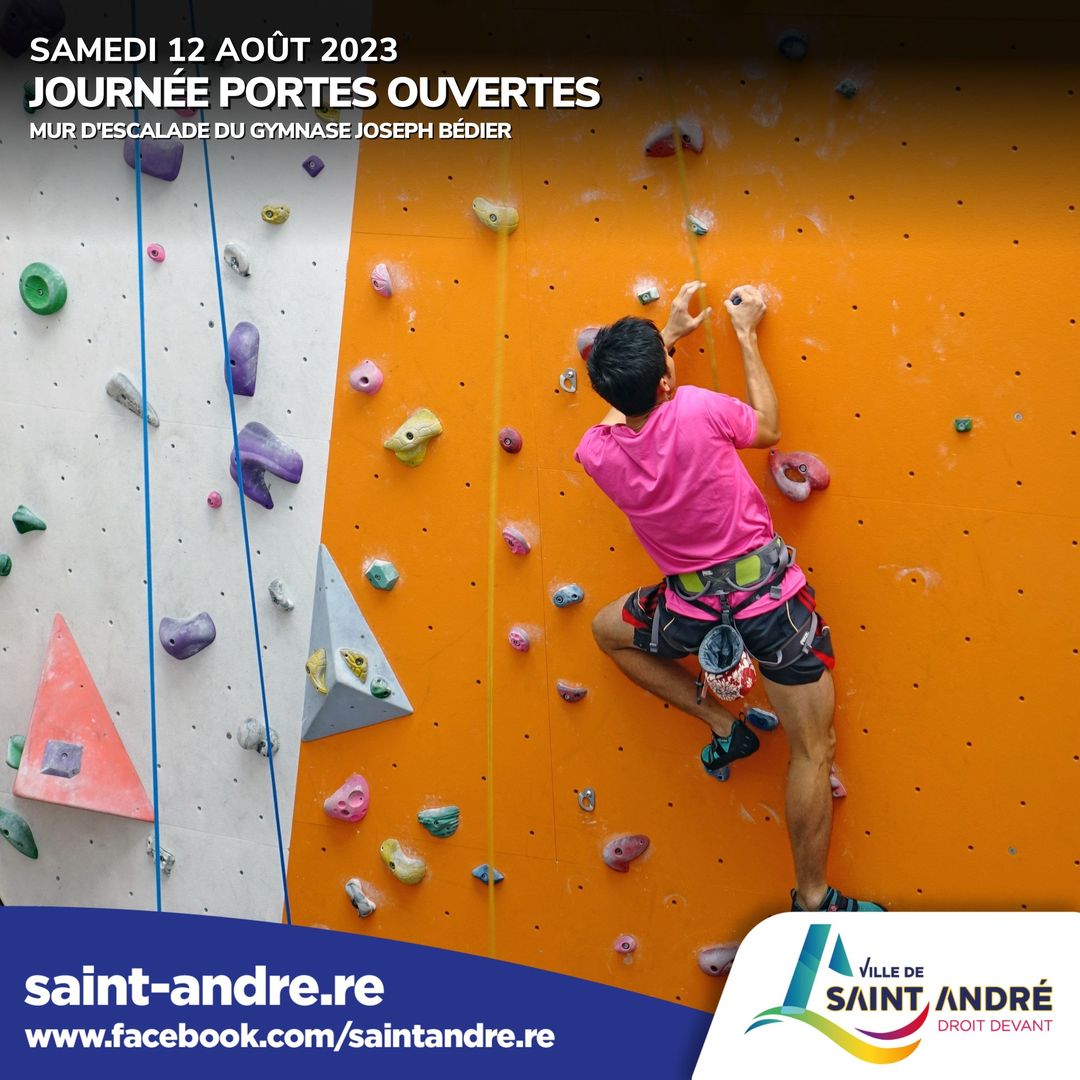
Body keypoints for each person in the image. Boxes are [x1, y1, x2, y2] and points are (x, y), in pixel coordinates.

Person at [575, 281, 884, 913]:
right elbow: (767, 428)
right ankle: (814, 900)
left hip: (688, 612)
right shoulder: (692, 408)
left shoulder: (596, 452)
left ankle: (723, 722)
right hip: (769, 605)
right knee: (811, 750)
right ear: (666, 381)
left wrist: (666, 341)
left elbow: (616, 411)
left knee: (607, 631)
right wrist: (742, 333)